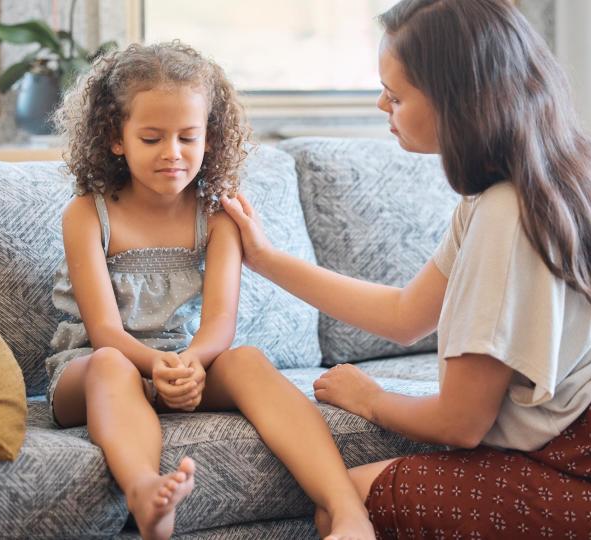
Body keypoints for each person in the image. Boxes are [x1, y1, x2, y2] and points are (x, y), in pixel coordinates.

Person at [221, 1, 591, 537]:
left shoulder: (507, 214)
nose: (381, 104)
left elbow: (459, 423)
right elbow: (404, 316)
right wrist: (266, 259)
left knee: (346, 502)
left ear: (458, 102)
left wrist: (371, 399)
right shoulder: (557, 173)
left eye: (395, 96)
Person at [46, 41, 374, 540]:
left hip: (182, 363)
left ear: (210, 138)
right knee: (111, 365)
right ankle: (146, 495)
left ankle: (346, 509)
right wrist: (157, 366)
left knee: (245, 360)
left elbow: (220, 322)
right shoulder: (88, 214)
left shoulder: (217, 217)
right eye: (152, 138)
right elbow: (105, 330)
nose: (172, 153)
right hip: (96, 369)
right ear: (116, 137)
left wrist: (192, 363)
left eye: (188, 137)